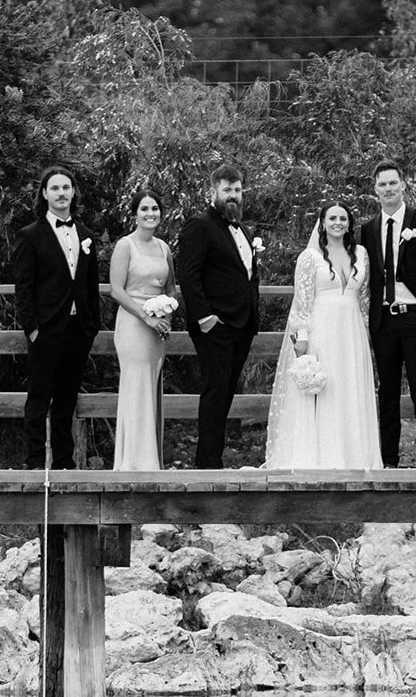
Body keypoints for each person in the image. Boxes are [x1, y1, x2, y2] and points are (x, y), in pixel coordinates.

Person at [264, 202, 383, 468]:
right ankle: (323, 456)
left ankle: (354, 456)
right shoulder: (310, 257)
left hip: (352, 331)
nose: (338, 222)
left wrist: (365, 335)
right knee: (326, 390)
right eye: (332, 218)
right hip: (322, 329)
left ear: (350, 223)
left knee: (350, 388)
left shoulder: (361, 254)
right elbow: (302, 302)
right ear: (323, 222)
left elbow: (364, 299)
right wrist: (302, 337)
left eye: (343, 218)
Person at [12, 165, 101, 470]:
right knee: (39, 399)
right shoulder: (30, 236)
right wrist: (32, 329)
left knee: (66, 400)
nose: (61, 193)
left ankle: (64, 463)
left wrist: (91, 326)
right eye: (55, 188)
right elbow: (23, 287)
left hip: (78, 331)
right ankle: (35, 463)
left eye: (66, 187)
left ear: (73, 192)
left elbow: (91, 286)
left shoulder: (86, 236)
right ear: (45, 194)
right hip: (46, 331)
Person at [360, 160, 416, 468]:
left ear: (403, 185)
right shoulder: (368, 229)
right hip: (384, 320)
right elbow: (367, 276)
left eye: (392, 183)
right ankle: (388, 459)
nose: (388, 189)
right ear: (375, 189)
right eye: (382, 184)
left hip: (415, 317)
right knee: (388, 393)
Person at [177, 167, 260, 469]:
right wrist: (205, 317)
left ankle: (214, 459)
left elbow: (247, 276)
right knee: (215, 392)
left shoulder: (243, 230)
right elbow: (188, 274)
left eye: (237, 190)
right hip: (215, 326)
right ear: (213, 192)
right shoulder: (198, 225)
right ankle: (207, 464)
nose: (233, 196)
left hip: (242, 325)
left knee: (225, 393)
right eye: (227, 190)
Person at [109, 189, 177, 470]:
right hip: (133, 324)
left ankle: (150, 459)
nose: (151, 214)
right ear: (135, 213)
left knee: (150, 388)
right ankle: (133, 462)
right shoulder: (126, 246)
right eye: (145, 209)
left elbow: (171, 287)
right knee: (136, 387)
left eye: (155, 209)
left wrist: (166, 316)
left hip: (156, 329)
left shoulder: (163, 248)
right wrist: (146, 317)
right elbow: (116, 290)